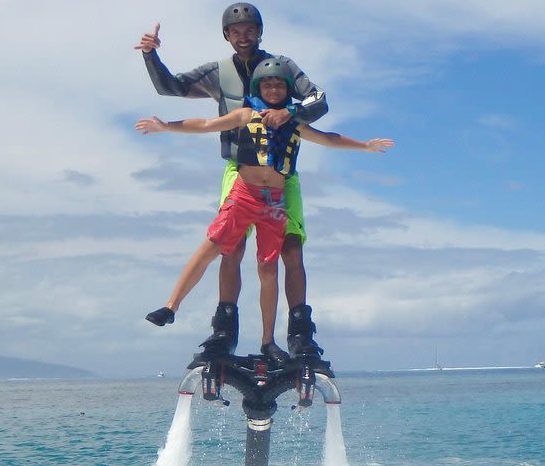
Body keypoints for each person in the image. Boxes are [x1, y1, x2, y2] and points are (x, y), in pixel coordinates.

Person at [137, 57, 393, 364]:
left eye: (279, 84)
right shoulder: (246, 113)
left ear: (287, 90)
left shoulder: (294, 122)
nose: (273, 88)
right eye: (267, 84)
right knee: (213, 246)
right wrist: (167, 127)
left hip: (274, 202)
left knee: (268, 268)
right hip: (245, 193)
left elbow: (327, 139)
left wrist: (364, 146)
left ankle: (268, 341)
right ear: (259, 87)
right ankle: (171, 306)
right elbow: (205, 125)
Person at [135, 3, 329, 359]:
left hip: (283, 177)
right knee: (232, 247)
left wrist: (291, 110)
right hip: (239, 171)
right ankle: (224, 331)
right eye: (235, 31)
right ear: (226, 35)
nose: (243, 36)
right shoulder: (217, 72)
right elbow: (170, 87)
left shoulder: (282, 67)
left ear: (260, 31)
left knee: (290, 250)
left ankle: (300, 335)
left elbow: (319, 100)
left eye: (249, 29)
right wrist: (150, 55)